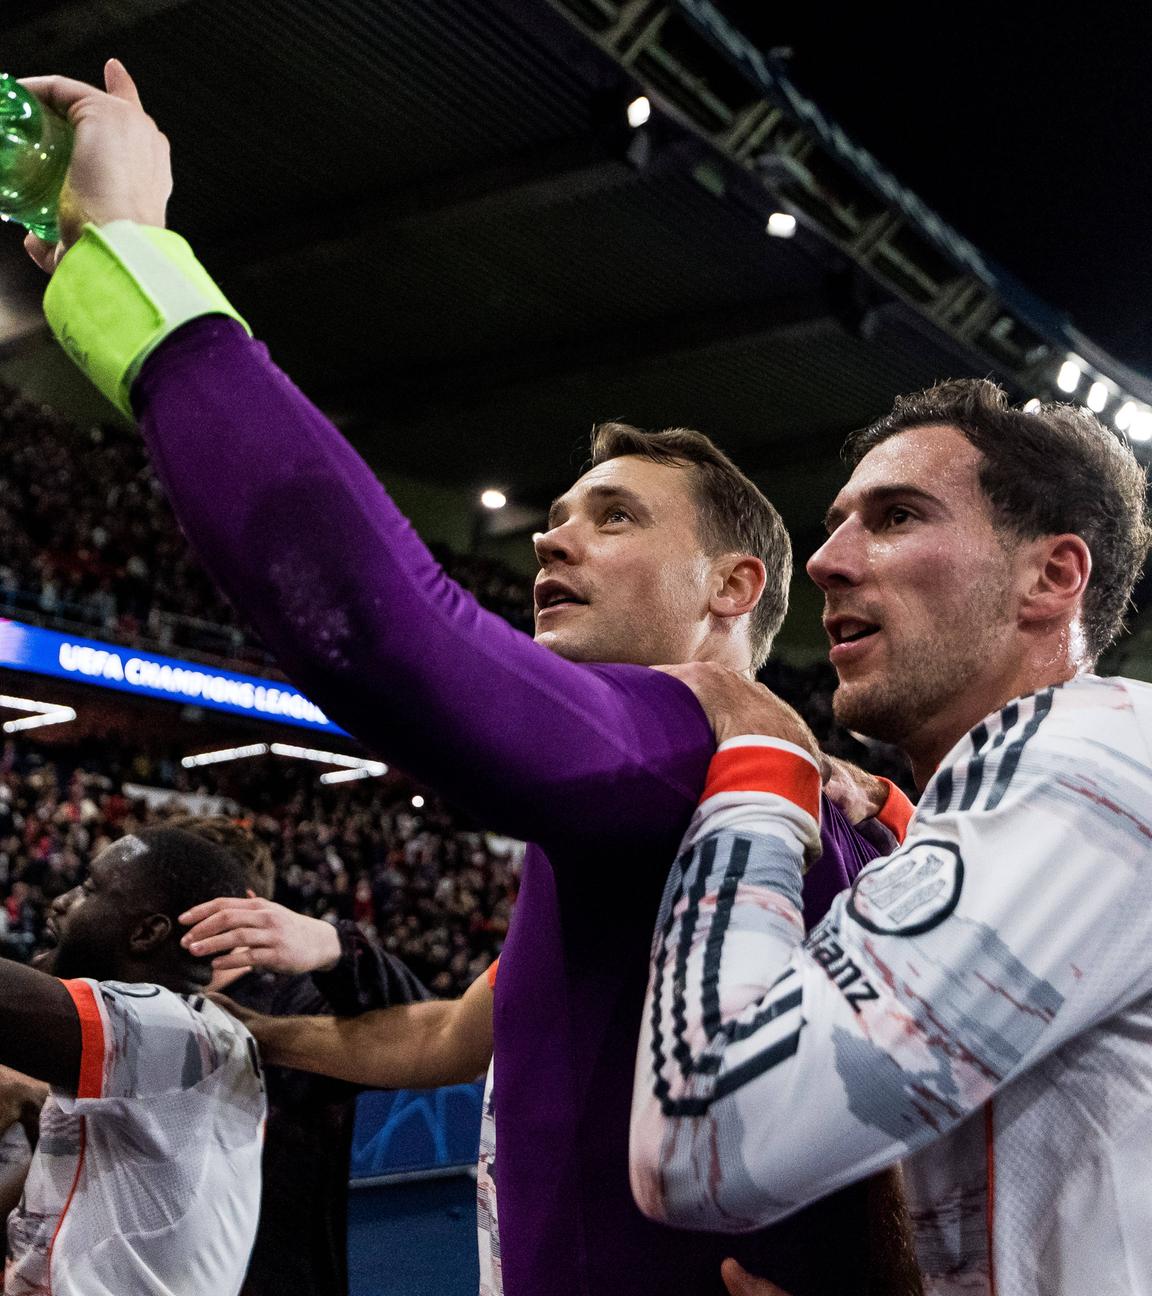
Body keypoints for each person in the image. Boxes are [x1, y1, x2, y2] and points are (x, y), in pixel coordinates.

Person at [21, 62, 914, 1296]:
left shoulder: (681, 754)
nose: (552, 540)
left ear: (732, 589)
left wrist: (136, 258)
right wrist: (264, 1035)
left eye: (610, 518)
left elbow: (379, 629)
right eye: (555, 516)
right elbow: (454, 1033)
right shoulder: (776, 808)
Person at [629, 379, 1152, 1296]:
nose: (827, 559)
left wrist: (759, 764)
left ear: (1053, 577)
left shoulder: (1088, 759)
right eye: (835, 523)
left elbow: (707, 1132)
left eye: (898, 515)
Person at [0, 826, 266, 1294]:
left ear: (146, 932)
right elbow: (44, 1214)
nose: (61, 901)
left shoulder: (180, 1034)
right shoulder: (153, 1048)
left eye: (89, 888)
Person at [171, 815, 429, 1296]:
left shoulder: (300, 1001)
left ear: (240, 907)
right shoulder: (135, 995)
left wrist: (334, 947)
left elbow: (429, 1034)